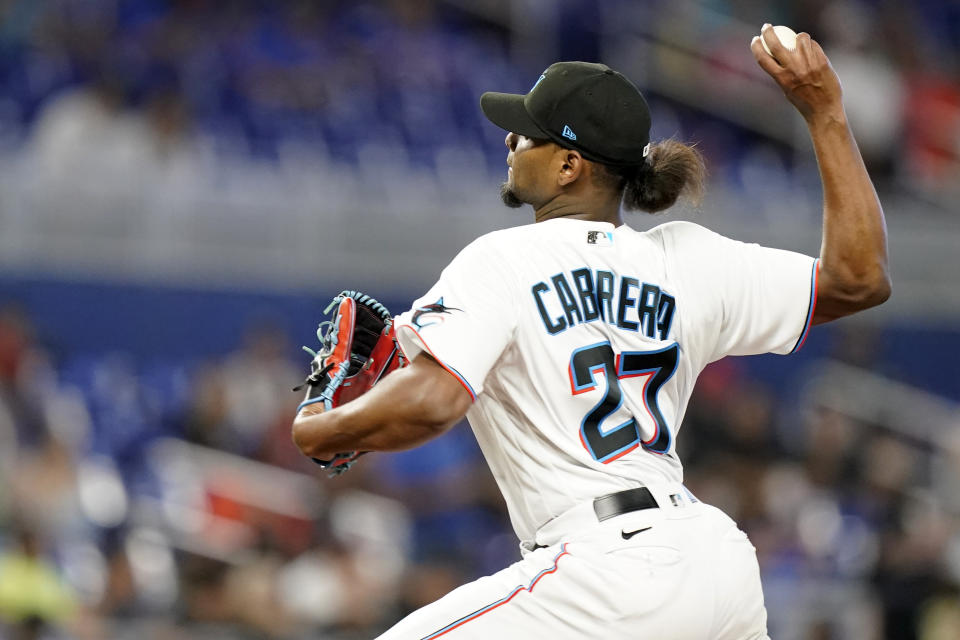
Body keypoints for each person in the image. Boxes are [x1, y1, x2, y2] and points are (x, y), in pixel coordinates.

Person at [291, 25, 890, 639]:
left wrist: (320, 428)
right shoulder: (687, 260)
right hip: (715, 564)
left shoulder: (503, 259)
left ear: (570, 164)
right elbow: (858, 279)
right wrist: (826, 114)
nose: (510, 140)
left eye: (527, 133)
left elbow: (433, 401)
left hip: (606, 570)